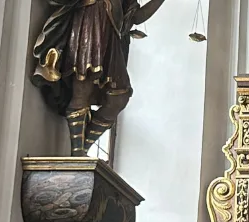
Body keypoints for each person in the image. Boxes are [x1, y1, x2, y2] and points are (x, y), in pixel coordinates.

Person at [31, 0, 167, 156]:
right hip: (90, 18)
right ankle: (77, 153)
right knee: (84, 84)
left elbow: (136, 16)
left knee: (120, 96)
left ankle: (82, 151)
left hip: (112, 31)